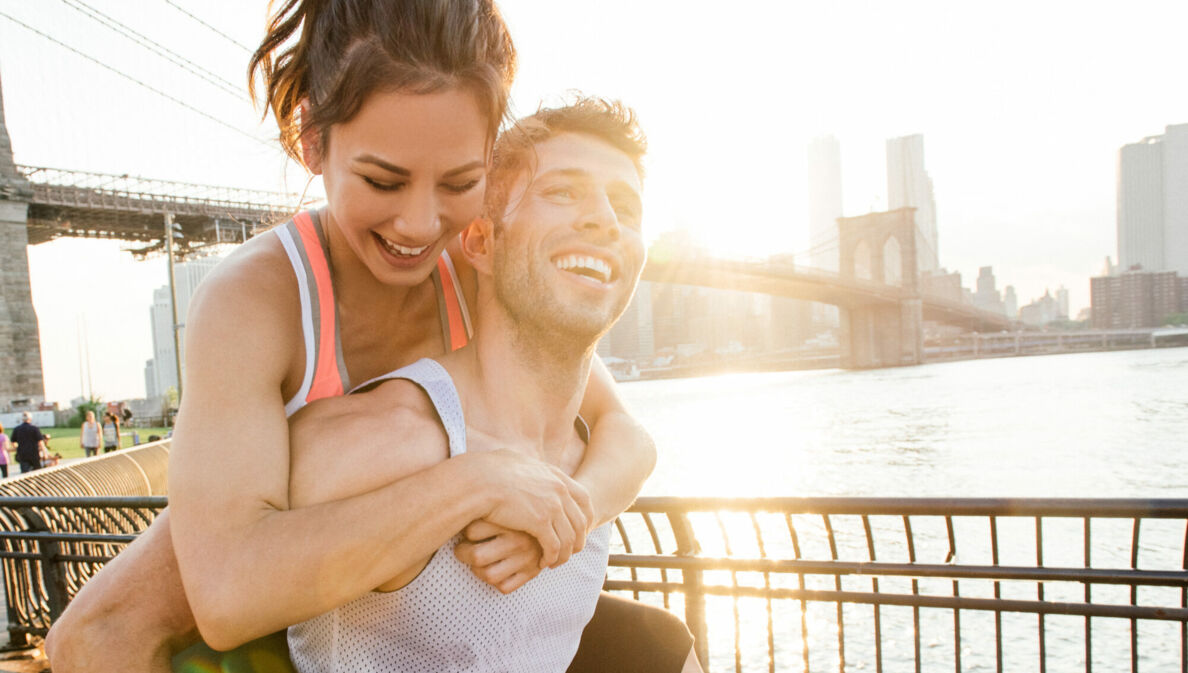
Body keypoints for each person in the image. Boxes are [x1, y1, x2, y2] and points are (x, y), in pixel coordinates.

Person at [45, 2, 687, 671]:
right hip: (262, 558)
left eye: (460, 181)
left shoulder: (476, 261)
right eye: (383, 180)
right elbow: (227, 592)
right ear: (310, 142)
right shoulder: (255, 300)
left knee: (656, 643)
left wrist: (556, 525)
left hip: (391, 596)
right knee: (97, 633)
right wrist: (480, 481)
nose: (418, 224)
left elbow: (626, 435)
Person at [280, 98, 699, 672]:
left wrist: (571, 515)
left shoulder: (588, 463)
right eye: (562, 192)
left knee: (667, 646)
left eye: (624, 205)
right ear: (479, 243)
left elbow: (634, 441)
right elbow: (222, 574)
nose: (605, 219)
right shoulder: (396, 438)